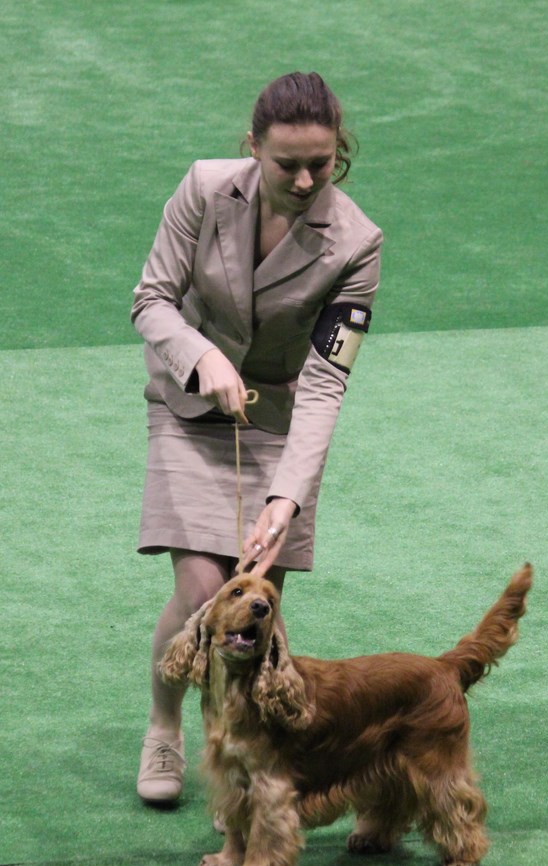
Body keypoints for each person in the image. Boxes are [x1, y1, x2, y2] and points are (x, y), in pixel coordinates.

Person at [132, 71, 383, 803]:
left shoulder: (357, 243)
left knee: (252, 606)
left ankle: (237, 755)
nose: (305, 181)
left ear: (338, 152)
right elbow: (151, 299)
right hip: (188, 408)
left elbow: (327, 379)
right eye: (287, 164)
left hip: (275, 424)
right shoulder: (204, 189)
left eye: (321, 164)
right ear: (253, 147)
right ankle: (165, 725)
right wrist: (200, 355)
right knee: (202, 588)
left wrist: (288, 498)